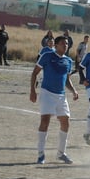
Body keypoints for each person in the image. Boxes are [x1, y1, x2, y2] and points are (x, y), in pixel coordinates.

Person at [30, 36, 79, 165]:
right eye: (63, 43)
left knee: (65, 122)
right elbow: (35, 73)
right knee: (45, 121)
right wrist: (32, 90)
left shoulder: (68, 61)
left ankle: (61, 153)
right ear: (56, 45)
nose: (65, 45)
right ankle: (41, 154)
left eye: (67, 43)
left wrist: (73, 91)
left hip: (61, 96)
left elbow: (66, 79)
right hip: (47, 93)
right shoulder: (47, 56)